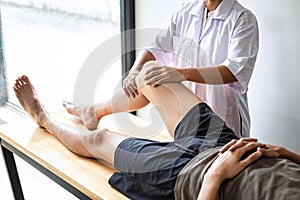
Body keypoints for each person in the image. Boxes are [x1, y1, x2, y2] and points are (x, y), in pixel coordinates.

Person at [13, 62, 299, 200]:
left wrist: (216, 175)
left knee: (100, 140)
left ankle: (43, 117)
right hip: (227, 144)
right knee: (150, 74)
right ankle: (94, 111)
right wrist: (283, 152)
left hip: (190, 173)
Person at [121, 0, 259, 138]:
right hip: (186, 116)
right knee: (149, 71)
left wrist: (180, 74)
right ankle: (99, 112)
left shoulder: (243, 19)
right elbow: (157, 46)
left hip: (223, 119)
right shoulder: (185, 12)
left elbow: (234, 71)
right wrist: (135, 69)